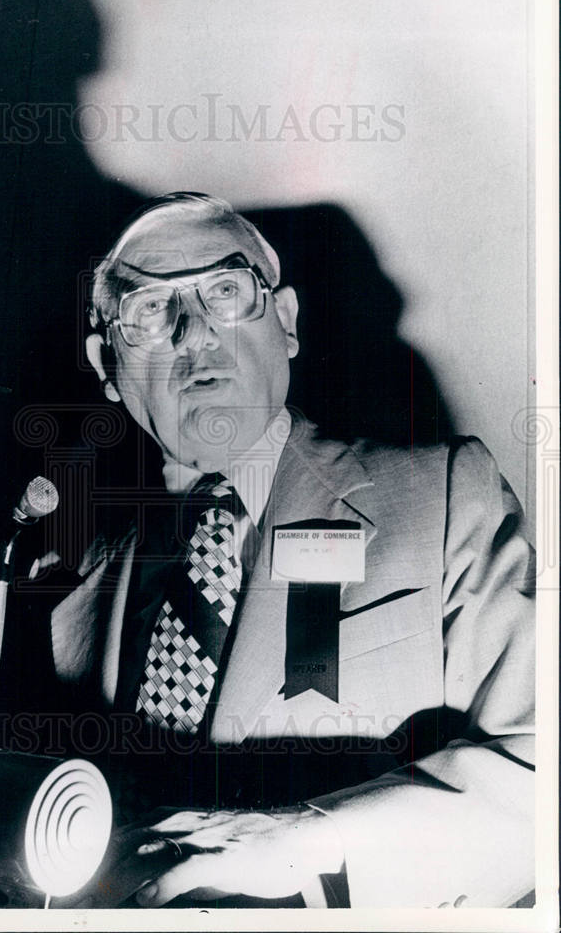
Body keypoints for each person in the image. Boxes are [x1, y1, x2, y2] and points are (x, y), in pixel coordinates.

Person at [35, 192, 534, 908]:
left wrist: (312, 841)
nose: (193, 331)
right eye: (148, 310)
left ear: (288, 323)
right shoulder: (74, 577)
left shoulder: (446, 497)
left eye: (226, 291)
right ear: (106, 365)